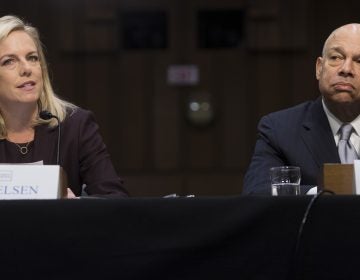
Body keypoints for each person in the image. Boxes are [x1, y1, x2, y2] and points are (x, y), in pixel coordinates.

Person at [0, 15, 128, 198]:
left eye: (32, 58)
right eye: (9, 61)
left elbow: (116, 200)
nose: (26, 68)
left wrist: (76, 209)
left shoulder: (75, 126)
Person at [243, 23, 360, 195]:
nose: (346, 69)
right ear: (319, 68)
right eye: (336, 57)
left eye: (359, 61)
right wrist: (322, 193)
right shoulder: (280, 130)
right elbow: (257, 192)